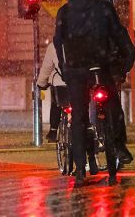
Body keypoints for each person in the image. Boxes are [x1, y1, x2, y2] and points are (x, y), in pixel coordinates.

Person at [53, 0, 135, 186]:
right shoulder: (104, 7)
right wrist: (125, 64)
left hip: (76, 71)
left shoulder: (64, 11)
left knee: (79, 119)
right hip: (100, 67)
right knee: (113, 107)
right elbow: (119, 36)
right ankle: (118, 148)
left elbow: (58, 42)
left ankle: (80, 170)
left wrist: (64, 68)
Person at [37, 42, 98, 175]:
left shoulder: (54, 45)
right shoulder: (82, 41)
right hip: (80, 85)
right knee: (83, 120)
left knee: (57, 101)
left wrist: (41, 83)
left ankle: (53, 129)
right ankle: (92, 158)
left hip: (61, 87)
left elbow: (47, 67)